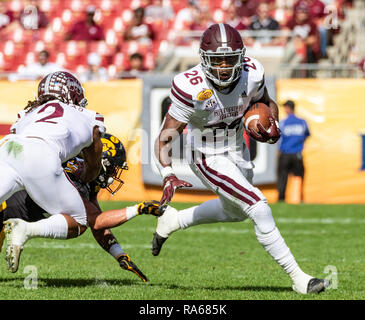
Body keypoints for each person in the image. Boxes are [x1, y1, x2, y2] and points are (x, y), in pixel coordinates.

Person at [151, 23, 329, 294]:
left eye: (230, 59)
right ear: (203, 60)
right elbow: (165, 136)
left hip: (237, 147)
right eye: (217, 60)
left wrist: (273, 124)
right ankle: (300, 278)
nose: (223, 67)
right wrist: (167, 173)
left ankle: (174, 220)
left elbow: (267, 103)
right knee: (257, 206)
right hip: (205, 154)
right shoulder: (188, 86)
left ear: (241, 57)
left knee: (235, 212)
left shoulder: (253, 73)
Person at [0, 133, 158, 281]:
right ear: (100, 161)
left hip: (14, 211)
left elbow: (97, 224)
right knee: (79, 223)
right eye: (111, 169)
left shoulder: (85, 177)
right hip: (8, 209)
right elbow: (97, 221)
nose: (112, 176)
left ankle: (25, 229)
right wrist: (139, 209)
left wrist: (119, 254)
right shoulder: (73, 172)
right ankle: (25, 230)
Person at [0, 71, 105, 273]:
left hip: (8, 147)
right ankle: (26, 229)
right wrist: (87, 179)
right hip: (40, 153)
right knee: (79, 221)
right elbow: (93, 162)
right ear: (72, 94)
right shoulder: (90, 116)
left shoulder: (27, 114)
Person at [277, 100, 310, 203]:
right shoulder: (302, 122)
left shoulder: (283, 122)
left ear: (287, 108)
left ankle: (281, 199)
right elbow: (307, 135)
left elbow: (278, 138)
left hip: (285, 153)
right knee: (299, 177)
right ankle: (299, 199)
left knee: (283, 177)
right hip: (297, 154)